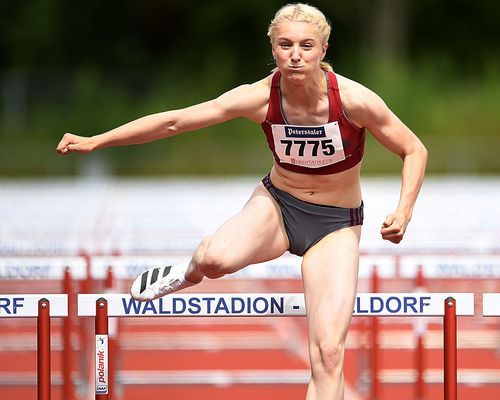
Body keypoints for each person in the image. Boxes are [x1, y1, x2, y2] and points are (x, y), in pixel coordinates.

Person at [56, 3, 427, 399]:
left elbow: (413, 149)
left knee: (329, 353)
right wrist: (98, 140)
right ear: (273, 49)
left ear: (323, 49)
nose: (296, 55)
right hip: (279, 207)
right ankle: (190, 270)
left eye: (306, 45)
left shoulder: (354, 100)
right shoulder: (259, 98)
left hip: (336, 224)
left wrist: (403, 210)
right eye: (285, 45)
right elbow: (175, 121)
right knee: (216, 259)